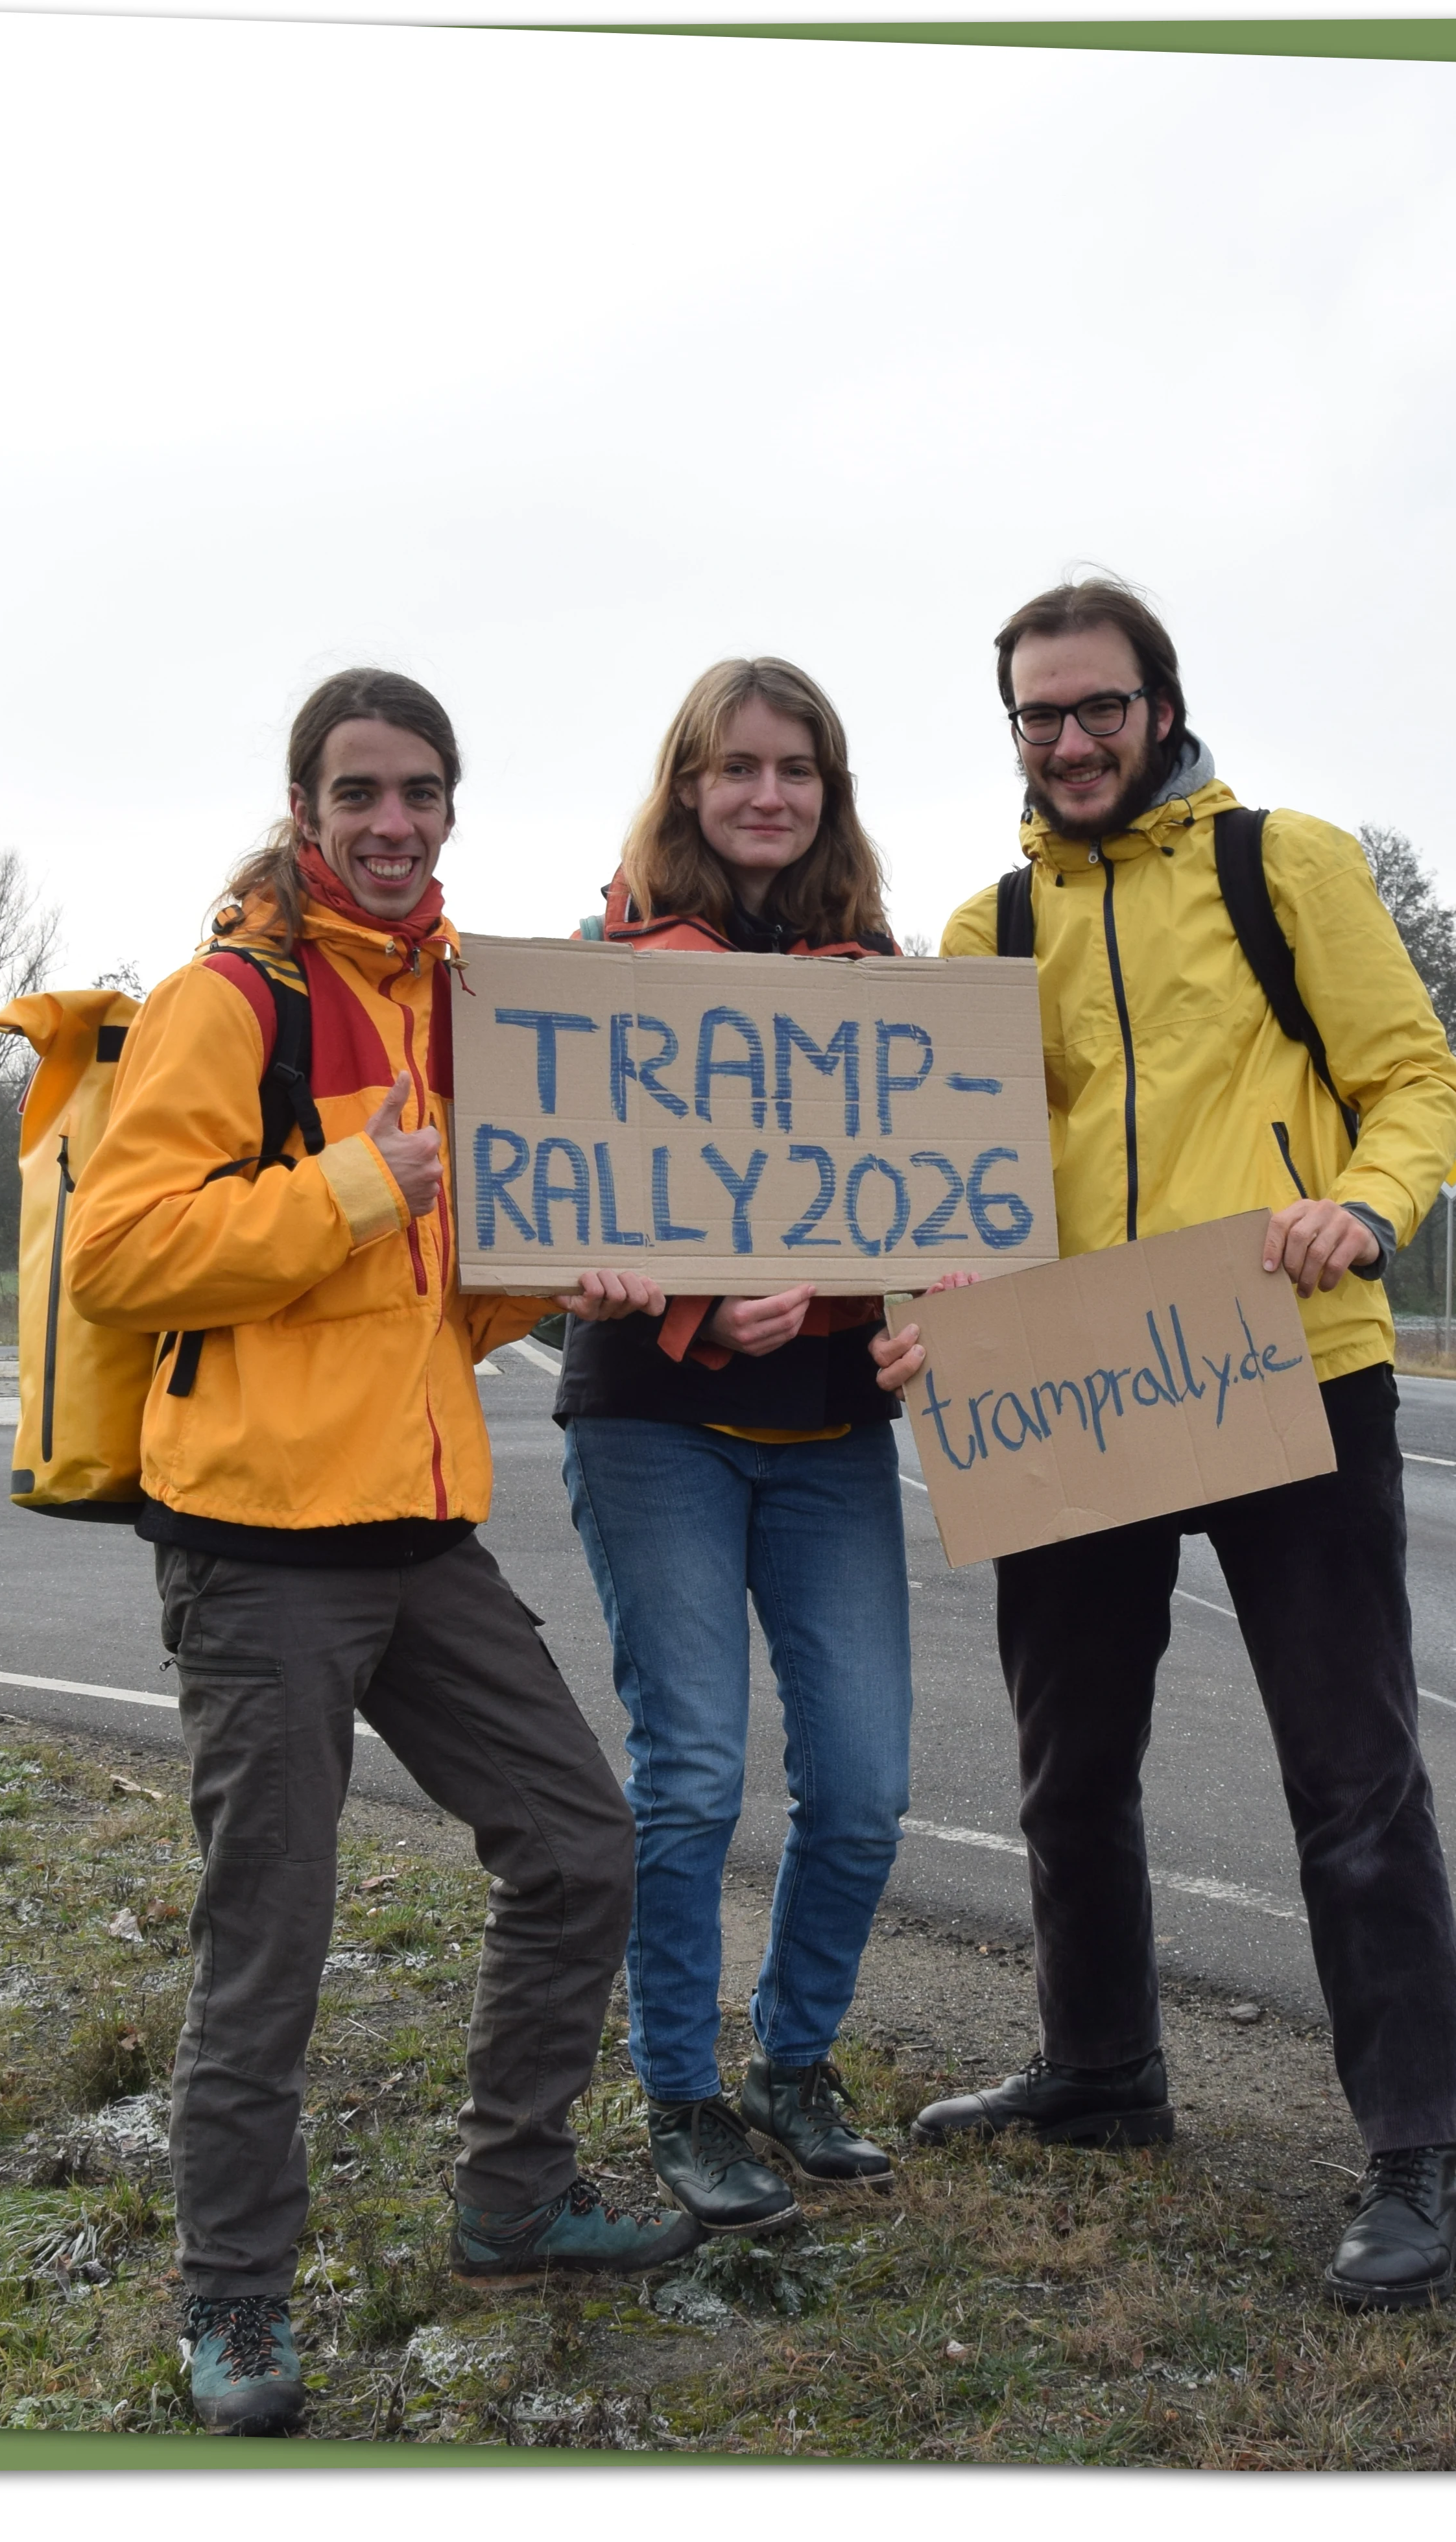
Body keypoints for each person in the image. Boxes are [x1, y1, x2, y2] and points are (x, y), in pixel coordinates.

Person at [66, 669, 697, 2434]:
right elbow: (122, 1252)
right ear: (304, 807)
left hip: (420, 1531)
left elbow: (425, 1292)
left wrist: (546, 1271)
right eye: (362, 793)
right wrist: (363, 1186)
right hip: (256, 1545)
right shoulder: (230, 1001)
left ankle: (512, 2200)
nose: (395, 822)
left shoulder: (449, 1004)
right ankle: (234, 2306)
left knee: (580, 1844)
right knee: (271, 1935)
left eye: (423, 792)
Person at [876, 579, 1456, 2311]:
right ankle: (1101, 2076)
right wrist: (928, 1313)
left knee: (1353, 1775)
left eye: (1098, 709)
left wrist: (1359, 1209)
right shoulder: (983, 931)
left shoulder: (1285, 866)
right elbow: (939, 1183)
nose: (1069, 743)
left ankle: (1415, 2146)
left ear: (1163, 705)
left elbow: (1415, 1081)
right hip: (1072, 1380)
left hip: (1285, 1353)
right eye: (1037, 718)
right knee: (1069, 1771)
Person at [556, 658, 968, 2235]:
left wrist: (859, 1286)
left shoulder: (888, 984)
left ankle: (797, 2061)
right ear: (686, 784)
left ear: (831, 792)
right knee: (696, 1779)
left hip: (831, 1435)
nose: (767, 792)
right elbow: (544, 1212)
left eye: (797, 767)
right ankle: (681, 2091)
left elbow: (934, 1215)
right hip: (654, 1423)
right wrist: (688, 1306)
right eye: (736, 766)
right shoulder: (597, 968)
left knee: (863, 1787)